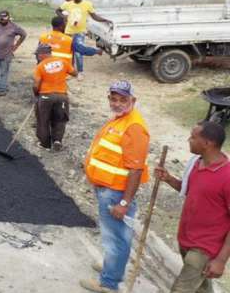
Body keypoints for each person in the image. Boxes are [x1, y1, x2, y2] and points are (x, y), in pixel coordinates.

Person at [80, 80, 150, 293]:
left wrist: (124, 203)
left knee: (117, 238)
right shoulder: (120, 119)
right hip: (107, 190)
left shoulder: (134, 127)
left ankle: (109, 283)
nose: (117, 103)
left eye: (123, 99)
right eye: (114, 99)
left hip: (116, 193)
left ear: (133, 100)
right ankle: (112, 266)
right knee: (112, 235)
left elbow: (136, 170)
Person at [154, 121, 230, 293]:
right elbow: (191, 190)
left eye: (193, 137)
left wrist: (221, 260)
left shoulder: (227, 176)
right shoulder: (197, 163)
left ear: (207, 143)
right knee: (200, 289)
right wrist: (169, 179)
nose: (189, 140)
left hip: (204, 248)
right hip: (186, 239)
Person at [60, 0, 111, 80]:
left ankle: (80, 72)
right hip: (68, 32)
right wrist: (64, 17)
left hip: (80, 32)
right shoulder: (67, 4)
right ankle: (71, 71)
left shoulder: (87, 4)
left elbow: (94, 16)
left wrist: (105, 20)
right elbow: (58, 11)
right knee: (69, 52)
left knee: (78, 52)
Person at [33, 43, 76, 151]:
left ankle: (45, 144)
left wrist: (36, 93)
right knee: (60, 119)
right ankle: (57, 140)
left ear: (42, 54)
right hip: (62, 96)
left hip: (45, 96)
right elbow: (74, 73)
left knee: (43, 120)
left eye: (37, 55)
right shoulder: (62, 62)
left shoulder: (40, 66)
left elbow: (36, 85)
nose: (37, 57)